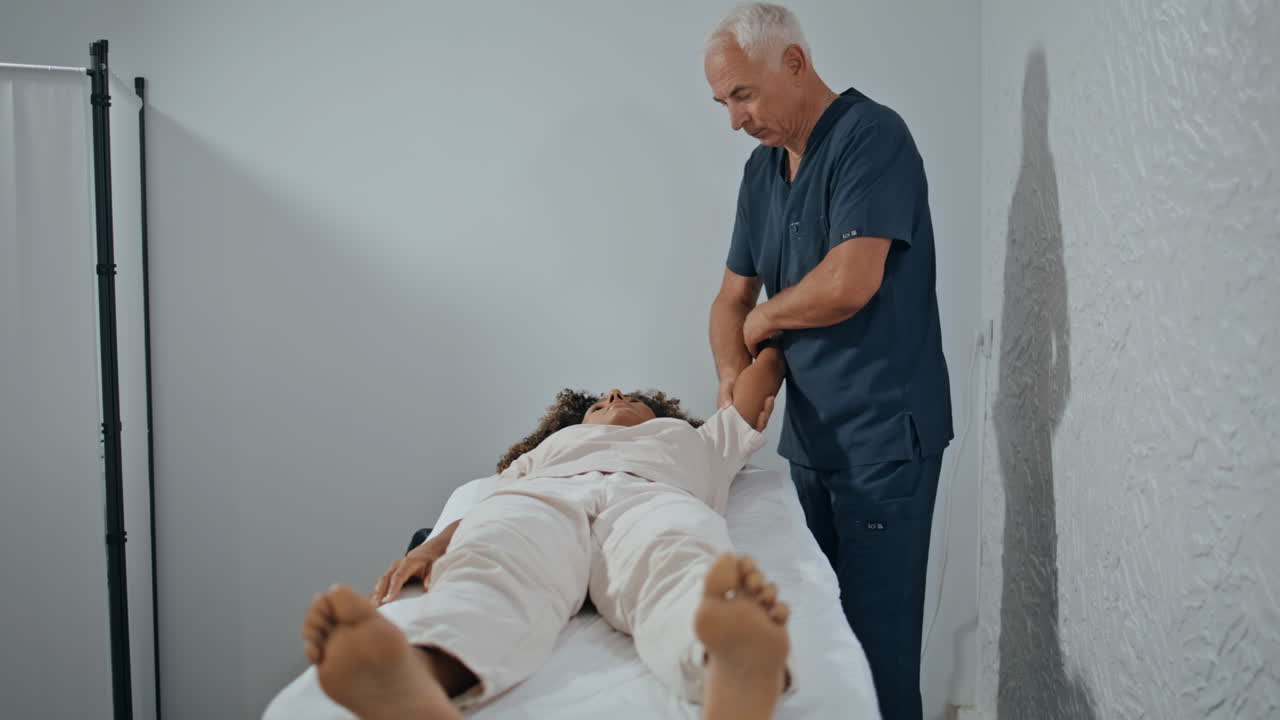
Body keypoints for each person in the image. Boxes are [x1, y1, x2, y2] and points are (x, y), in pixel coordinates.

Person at [263, 347, 795, 720]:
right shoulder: (542, 456)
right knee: (497, 559)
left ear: (662, 413)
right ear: (569, 425)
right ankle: (418, 672)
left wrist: (771, 342)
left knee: (677, 556)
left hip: (654, 497)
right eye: (597, 403)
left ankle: (727, 660)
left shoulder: (697, 439)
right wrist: (430, 547)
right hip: (546, 499)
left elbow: (754, 388)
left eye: (623, 397)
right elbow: (484, 512)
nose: (611, 395)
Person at [703, 5, 953, 720]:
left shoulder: (873, 138)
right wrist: (732, 373)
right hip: (812, 445)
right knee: (819, 650)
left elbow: (850, 282)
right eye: (723, 103)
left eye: (742, 95)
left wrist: (765, 323)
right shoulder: (761, 173)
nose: (734, 120)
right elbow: (728, 297)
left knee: (876, 657)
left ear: (793, 64)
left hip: (882, 441)